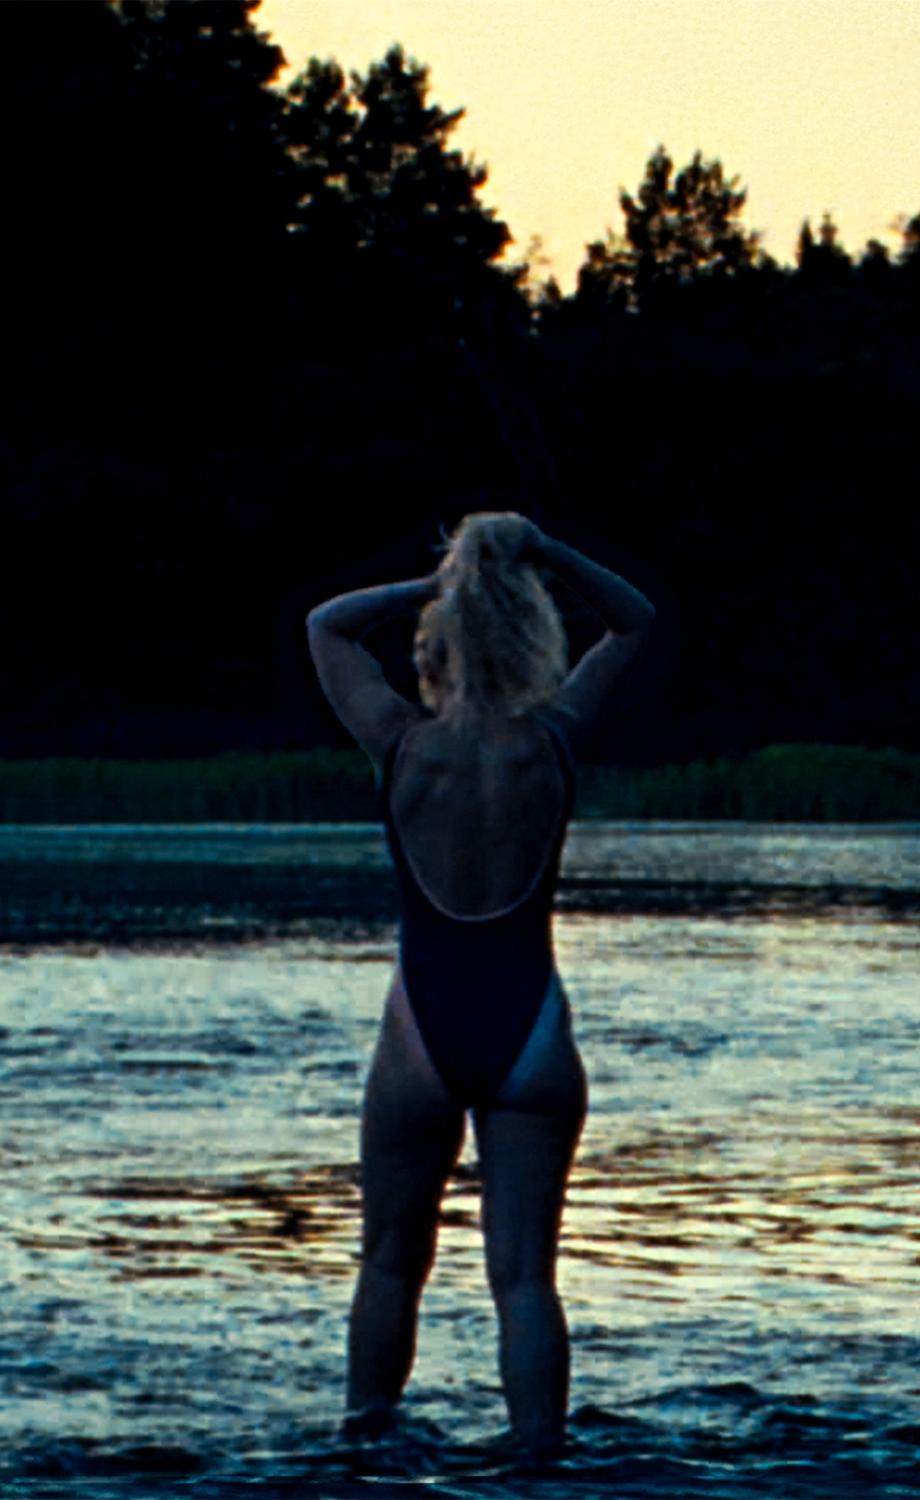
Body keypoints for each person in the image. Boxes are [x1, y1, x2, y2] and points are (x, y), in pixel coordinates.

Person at [306, 511, 655, 1458]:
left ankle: (364, 1443)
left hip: (421, 1029)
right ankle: (537, 1452)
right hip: (530, 1030)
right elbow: (635, 620)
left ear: (444, 637)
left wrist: (437, 592)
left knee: (388, 1264)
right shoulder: (556, 738)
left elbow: (327, 625)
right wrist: (536, 559)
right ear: (523, 627)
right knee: (527, 1280)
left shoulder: (399, 743)